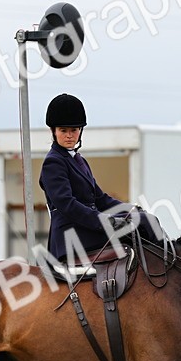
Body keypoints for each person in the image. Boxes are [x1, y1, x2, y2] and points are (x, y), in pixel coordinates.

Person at [39, 93, 128, 262]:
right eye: (63, 131)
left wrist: (130, 210)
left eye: (74, 130)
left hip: (88, 228)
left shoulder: (80, 161)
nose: (69, 135)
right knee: (136, 232)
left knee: (144, 221)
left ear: (80, 131)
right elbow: (68, 205)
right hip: (72, 235)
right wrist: (106, 222)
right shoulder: (53, 162)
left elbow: (100, 199)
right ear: (54, 131)